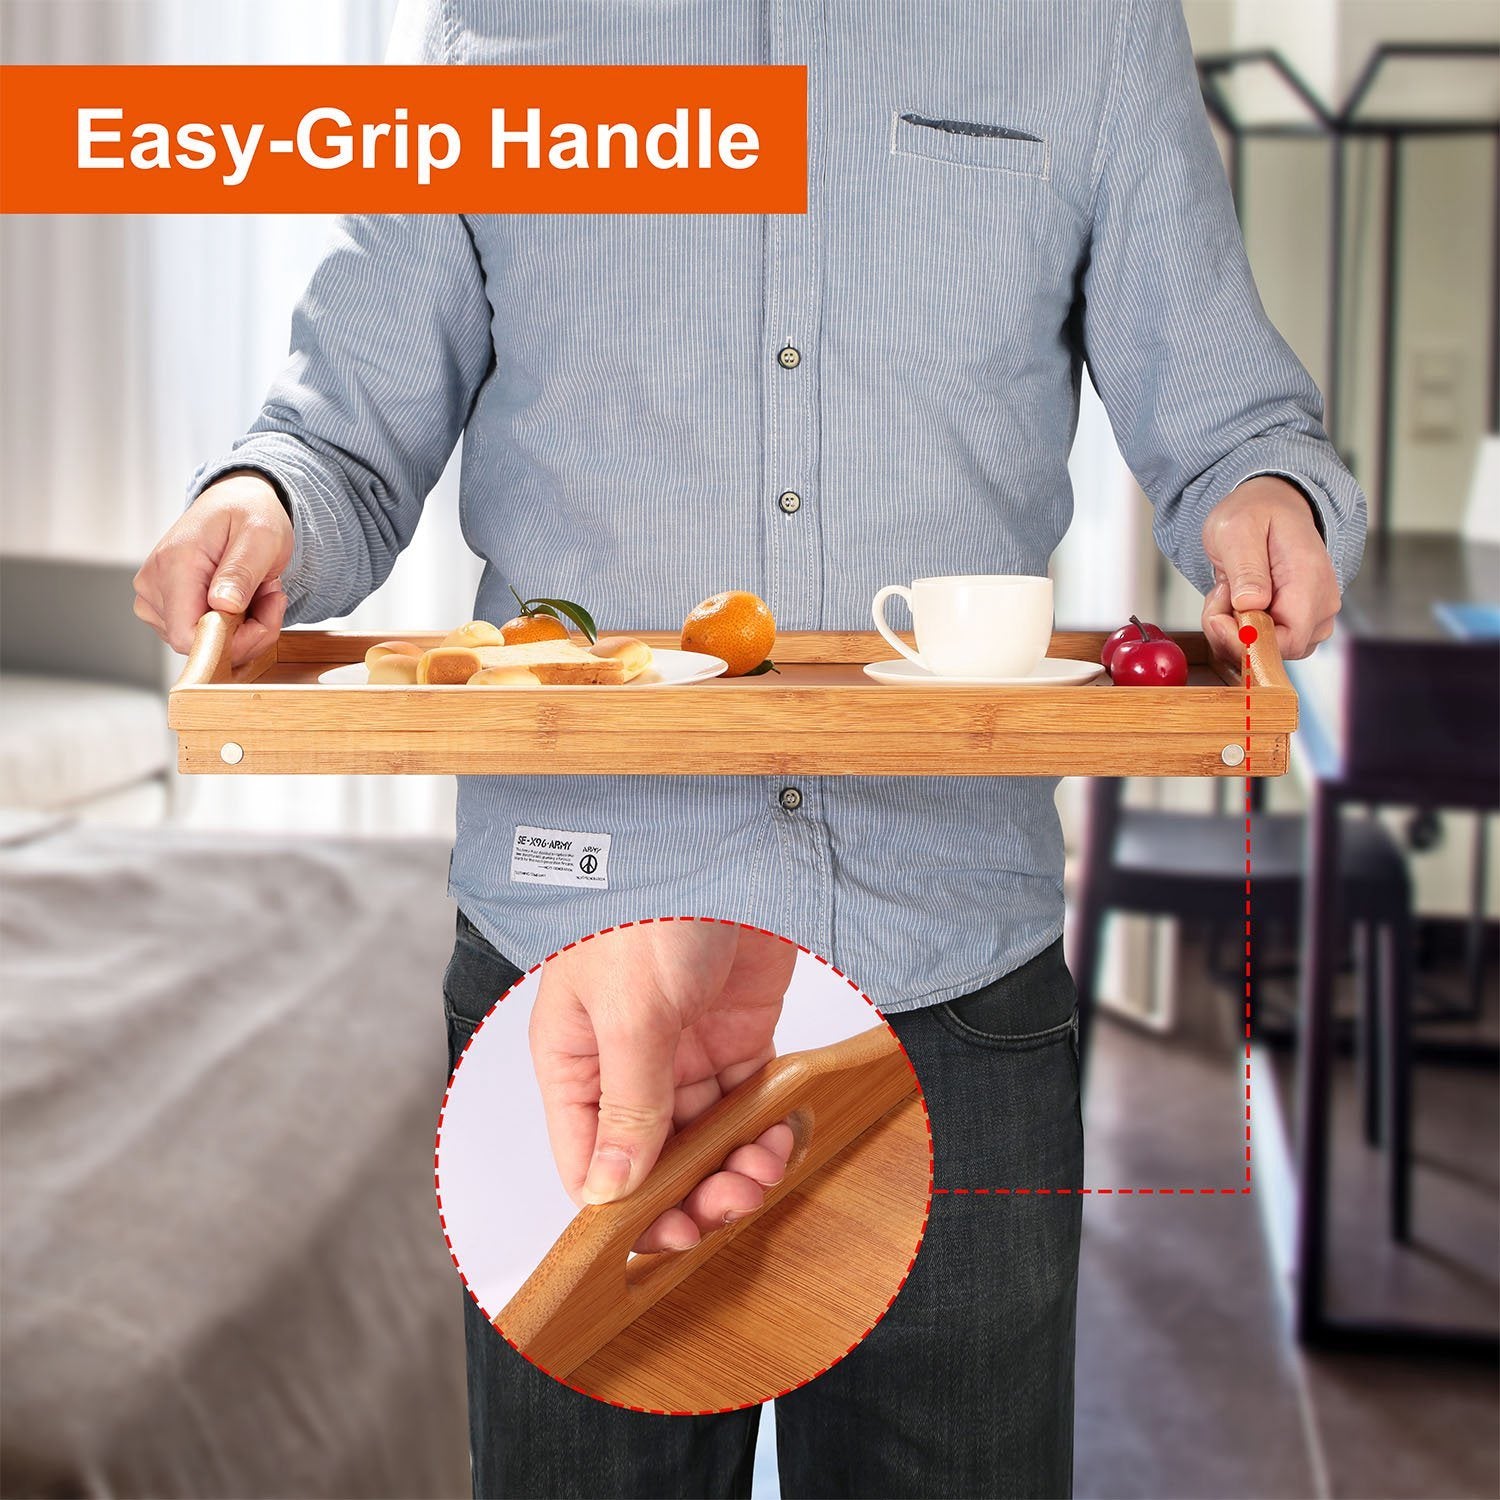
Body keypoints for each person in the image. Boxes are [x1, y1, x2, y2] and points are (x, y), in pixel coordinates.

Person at [134, 1, 1366, 1494]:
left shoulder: (1089, 28)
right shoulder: (489, 29)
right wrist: (257, 505)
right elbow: (337, 432)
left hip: (949, 985)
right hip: (568, 975)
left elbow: (1227, 417)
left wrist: (1266, 504)